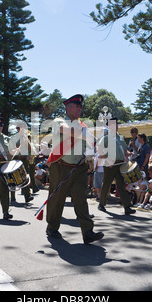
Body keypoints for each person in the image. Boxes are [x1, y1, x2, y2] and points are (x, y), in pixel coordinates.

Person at [45, 94, 104, 244]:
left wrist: (89, 156)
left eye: (80, 106)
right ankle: (52, 227)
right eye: (76, 106)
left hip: (78, 168)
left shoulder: (82, 126)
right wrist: (89, 136)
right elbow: (69, 131)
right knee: (57, 199)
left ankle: (88, 232)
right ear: (68, 108)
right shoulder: (60, 121)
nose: (80, 108)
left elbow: (87, 146)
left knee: (81, 199)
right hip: (60, 166)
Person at [98, 117, 136, 216]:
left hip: (120, 164)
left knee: (121, 185)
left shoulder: (121, 138)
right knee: (106, 184)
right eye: (114, 125)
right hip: (110, 164)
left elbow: (124, 150)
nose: (116, 126)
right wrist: (107, 160)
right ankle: (101, 204)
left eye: (117, 125)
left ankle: (127, 207)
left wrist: (129, 153)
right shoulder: (106, 138)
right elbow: (100, 150)